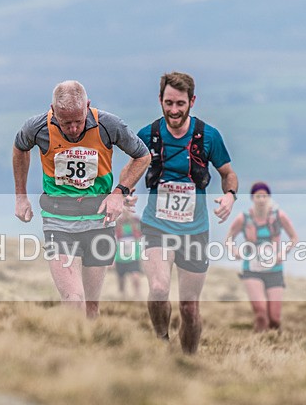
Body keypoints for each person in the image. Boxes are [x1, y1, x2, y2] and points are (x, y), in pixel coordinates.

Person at [13, 80, 151, 318]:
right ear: (52, 110)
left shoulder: (109, 125)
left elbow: (142, 156)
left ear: (87, 106)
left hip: (99, 221)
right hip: (58, 219)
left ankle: (90, 351)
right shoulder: (37, 127)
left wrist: (119, 193)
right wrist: (20, 197)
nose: (74, 128)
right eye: (66, 123)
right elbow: (19, 149)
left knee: (91, 308)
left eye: (79, 121)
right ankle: (70, 351)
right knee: (73, 300)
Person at [138, 71, 238, 354]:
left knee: (190, 307)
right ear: (160, 100)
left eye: (180, 103)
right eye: (168, 102)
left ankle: (189, 361)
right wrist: (124, 193)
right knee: (158, 289)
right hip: (156, 226)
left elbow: (228, 173)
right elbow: (131, 169)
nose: (173, 110)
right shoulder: (148, 135)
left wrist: (230, 197)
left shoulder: (208, 136)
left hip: (195, 231)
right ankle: (161, 343)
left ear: (192, 101)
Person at [224, 181, 298, 332]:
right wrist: (234, 250)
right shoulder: (244, 218)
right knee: (260, 311)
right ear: (253, 198)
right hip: (252, 269)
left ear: (269, 198)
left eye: (264, 196)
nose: (262, 199)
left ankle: (275, 342)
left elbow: (294, 238)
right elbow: (228, 238)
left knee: (275, 318)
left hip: (274, 269)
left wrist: (283, 252)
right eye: (258, 196)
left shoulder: (279, 216)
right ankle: (258, 344)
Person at [113, 210, 143, 300]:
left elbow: (141, 237)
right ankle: (122, 296)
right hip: (120, 258)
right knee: (121, 280)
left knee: (135, 277)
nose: (126, 214)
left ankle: (137, 296)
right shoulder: (117, 226)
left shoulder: (136, 224)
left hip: (134, 257)